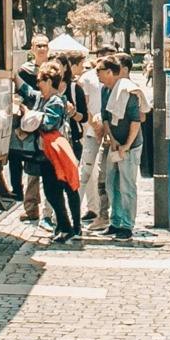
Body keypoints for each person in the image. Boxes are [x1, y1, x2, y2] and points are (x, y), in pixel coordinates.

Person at [20, 62, 80, 241]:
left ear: (49, 81)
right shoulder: (42, 97)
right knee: (52, 191)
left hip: (56, 152)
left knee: (63, 189)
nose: (38, 84)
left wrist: (30, 115)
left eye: (40, 81)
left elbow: (48, 124)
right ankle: (65, 226)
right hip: (47, 153)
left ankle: (70, 227)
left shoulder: (55, 100)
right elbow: (27, 90)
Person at [98, 55, 143, 239]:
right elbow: (105, 116)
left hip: (130, 145)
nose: (98, 76)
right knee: (111, 183)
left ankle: (127, 224)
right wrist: (111, 138)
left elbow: (136, 121)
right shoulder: (105, 90)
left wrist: (126, 145)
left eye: (99, 72)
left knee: (127, 185)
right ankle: (115, 221)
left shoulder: (128, 91)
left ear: (110, 72)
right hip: (114, 143)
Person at [7, 35, 50, 214]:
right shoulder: (25, 70)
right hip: (27, 118)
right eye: (38, 45)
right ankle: (24, 197)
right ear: (32, 48)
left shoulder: (53, 70)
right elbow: (24, 92)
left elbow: (31, 92)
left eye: (45, 45)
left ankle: (44, 209)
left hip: (43, 123)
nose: (42, 48)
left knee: (42, 164)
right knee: (21, 157)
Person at [77, 54, 110, 229]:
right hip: (91, 131)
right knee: (85, 172)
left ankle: (98, 210)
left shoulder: (110, 77)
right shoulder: (87, 79)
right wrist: (94, 126)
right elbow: (85, 105)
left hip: (106, 131)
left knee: (102, 174)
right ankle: (78, 210)